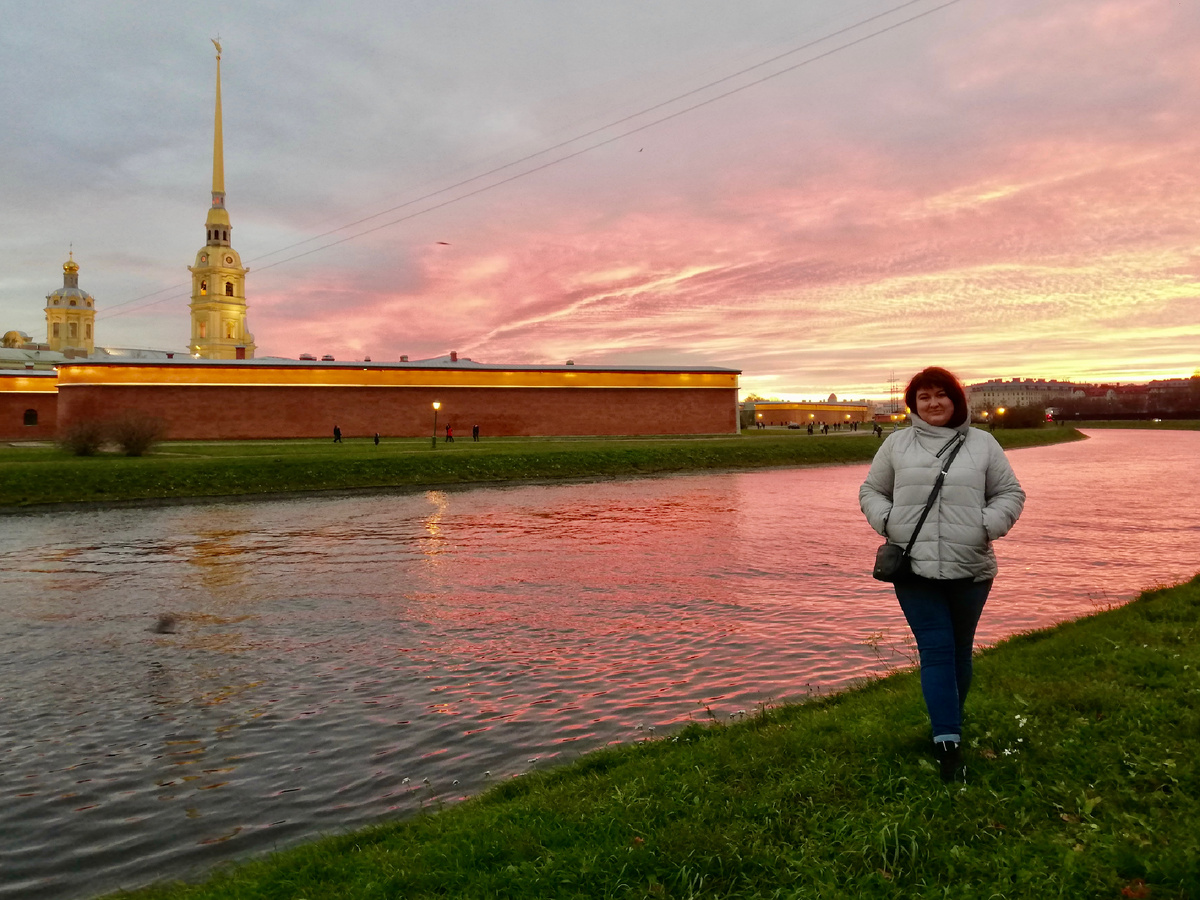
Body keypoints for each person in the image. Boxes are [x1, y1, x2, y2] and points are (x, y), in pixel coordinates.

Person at [859, 367, 1025, 782]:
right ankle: (947, 741)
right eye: (924, 397)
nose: (933, 403)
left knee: (959, 651)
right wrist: (889, 521)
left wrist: (985, 526)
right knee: (936, 649)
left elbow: (1010, 493)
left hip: (971, 567)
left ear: (956, 399)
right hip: (913, 568)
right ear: (913, 405)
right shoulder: (897, 444)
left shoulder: (983, 444)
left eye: (941, 395)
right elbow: (870, 491)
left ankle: (949, 720)